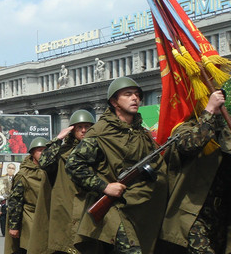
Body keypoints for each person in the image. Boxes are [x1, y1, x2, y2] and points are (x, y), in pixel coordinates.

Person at [66, 76, 168, 253]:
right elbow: (74, 165)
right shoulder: (100, 131)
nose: (135, 98)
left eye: (137, 94)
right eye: (128, 94)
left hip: (140, 207)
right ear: (114, 101)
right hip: (116, 209)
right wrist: (104, 187)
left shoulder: (141, 132)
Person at [156, 89, 231, 253]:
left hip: (221, 214)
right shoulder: (184, 129)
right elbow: (191, 145)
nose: (219, 103)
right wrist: (209, 111)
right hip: (193, 214)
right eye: (211, 99)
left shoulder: (226, 131)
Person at [39, 109, 95, 253]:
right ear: (72, 130)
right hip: (66, 207)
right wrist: (58, 139)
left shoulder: (97, 150)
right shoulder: (62, 152)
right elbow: (44, 162)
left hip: (90, 205)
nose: (83, 131)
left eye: (87, 127)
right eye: (79, 127)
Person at [4, 137, 51, 254]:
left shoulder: (52, 171)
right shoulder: (24, 174)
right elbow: (15, 201)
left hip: (50, 217)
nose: (43, 153)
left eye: (46, 150)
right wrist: (14, 226)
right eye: (40, 150)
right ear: (32, 153)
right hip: (30, 217)